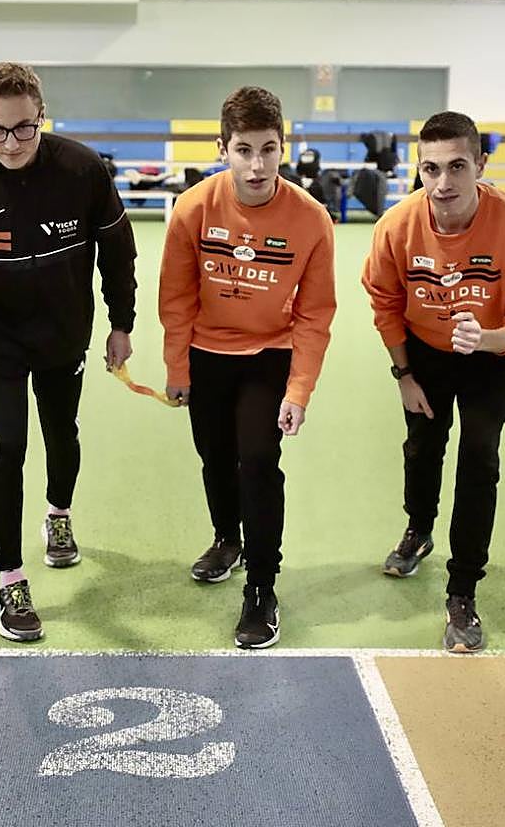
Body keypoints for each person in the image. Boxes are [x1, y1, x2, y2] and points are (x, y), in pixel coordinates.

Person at [0, 62, 137, 642]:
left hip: (66, 334)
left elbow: (118, 255)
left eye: (23, 128)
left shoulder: (82, 169)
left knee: (62, 434)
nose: (10, 142)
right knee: (8, 445)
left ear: (42, 117)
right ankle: (10, 578)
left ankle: (59, 516)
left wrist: (122, 324)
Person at [361, 110, 505, 654]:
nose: (443, 183)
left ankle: (463, 591)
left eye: (457, 167)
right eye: (430, 169)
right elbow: (385, 302)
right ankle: (418, 530)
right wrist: (403, 374)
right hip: (423, 353)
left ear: (481, 165)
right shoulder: (397, 227)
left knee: (478, 457)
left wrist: (487, 338)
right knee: (423, 445)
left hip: (492, 357)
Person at [159, 86, 336, 650]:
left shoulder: (311, 220)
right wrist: (177, 367)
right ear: (222, 148)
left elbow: (315, 313)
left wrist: (300, 389)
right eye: (243, 149)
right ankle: (226, 539)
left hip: (270, 354)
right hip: (206, 357)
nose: (256, 165)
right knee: (214, 456)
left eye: (268, 149)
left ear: (284, 146)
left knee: (257, 460)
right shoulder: (192, 209)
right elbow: (177, 297)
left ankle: (261, 587)